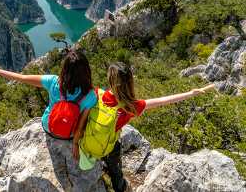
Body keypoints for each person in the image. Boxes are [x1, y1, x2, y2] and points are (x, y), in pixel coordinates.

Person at [73, 62, 216, 192]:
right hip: (111, 147)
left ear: (111, 80)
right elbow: (163, 100)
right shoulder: (132, 106)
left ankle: (101, 168)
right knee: (116, 171)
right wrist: (191, 93)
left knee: (101, 157)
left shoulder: (97, 94)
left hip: (91, 141)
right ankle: (120, 187)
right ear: (129, 82)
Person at [0, 49, 97, 139]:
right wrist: (75, 144)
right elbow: (80, 127)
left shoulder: (53, 81)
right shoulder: (90, 95)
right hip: (69, 134)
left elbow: (22, 78)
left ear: (64, 69)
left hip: (49, 127)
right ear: (86, 72)